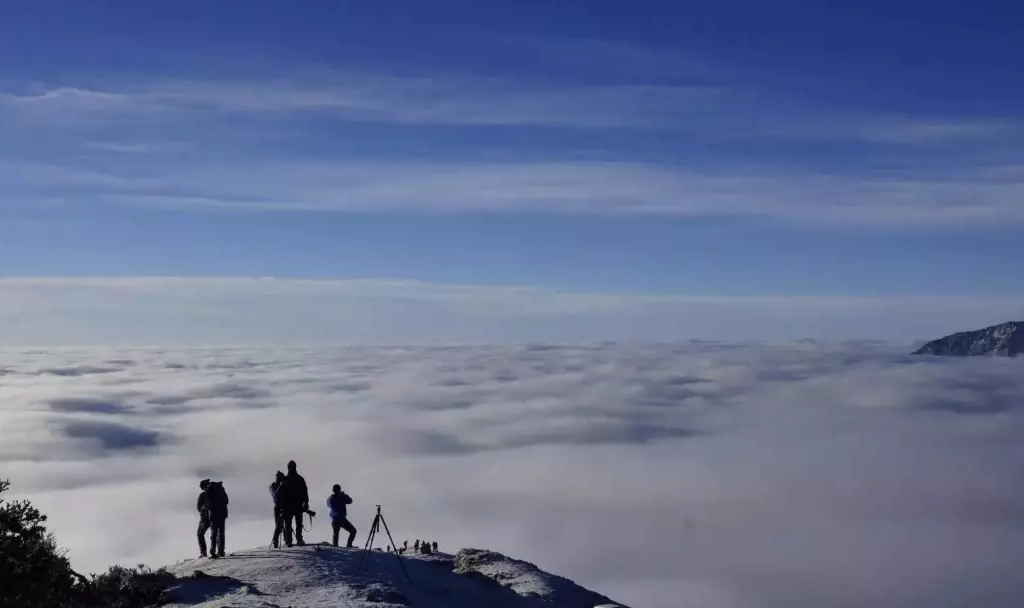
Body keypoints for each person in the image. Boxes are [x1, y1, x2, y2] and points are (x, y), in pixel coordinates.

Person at [278, 460, 309, 547]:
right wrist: (306, 503)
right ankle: (299, 539)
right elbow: (305, 492)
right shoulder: (300, 479)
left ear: (288, 468)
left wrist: (281, 506)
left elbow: (280, 494)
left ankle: (289, 541)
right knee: (298, 524)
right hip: (298, 505)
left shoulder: (285, 480)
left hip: (287, 506)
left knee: (288, 524)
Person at [204, 480, 229, 558]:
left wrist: (209, 510)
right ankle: (221, 551)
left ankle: (212, 551)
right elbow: (227, 501)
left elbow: (208, 503)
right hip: (222, 514)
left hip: (214, 515)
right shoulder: (221, 488)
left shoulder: (209, 489)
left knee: (213, 534)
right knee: (221, 533)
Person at [269, 471, 286, 548]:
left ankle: (286, 539)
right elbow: (275, 496)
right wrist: (281, 486)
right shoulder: (273, 486)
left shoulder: (282, 485)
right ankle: (275, 540)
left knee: (286, 524)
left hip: (284, 506)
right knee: (278, 525)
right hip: (278, 507)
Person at [196, 479, 211, 558]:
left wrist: (203, 511)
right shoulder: (216, 494)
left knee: (200, 534)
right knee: (216, 534)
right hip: (217, 517)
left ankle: (203, 553)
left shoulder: (202, 495)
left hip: (205, 518)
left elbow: (198, 507)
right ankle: (219, 551)